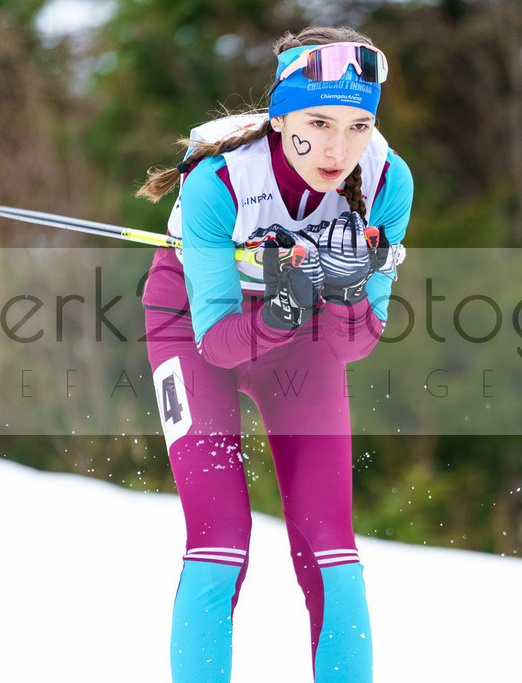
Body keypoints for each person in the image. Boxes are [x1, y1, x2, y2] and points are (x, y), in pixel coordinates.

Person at [135, 26, 413, 683]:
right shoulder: (219, 179)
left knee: (330, 543)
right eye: (318, 122)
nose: (338, 148)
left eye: (358, 124)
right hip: (195, 323)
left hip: (307, 333)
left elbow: (356, 343)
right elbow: (220, 345)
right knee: (221, 535)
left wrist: (345, 290)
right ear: (281, 115)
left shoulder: (387, 181)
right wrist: (285, 306)